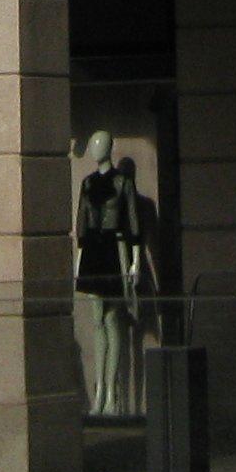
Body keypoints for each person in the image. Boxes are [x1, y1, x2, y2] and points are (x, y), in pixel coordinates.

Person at [70, 131, 155, 421]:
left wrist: (134, 262)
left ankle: (112, 396)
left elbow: (133, 222)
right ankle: (101, 393)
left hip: (115, 250)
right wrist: (78, 262)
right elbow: (81, 225)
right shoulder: (88, 183)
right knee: (98, 322)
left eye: (100, 144)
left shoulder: (122, 182)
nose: (96, 148)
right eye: (93, 143)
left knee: (112, 320)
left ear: (109, 148)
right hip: (94, 251)